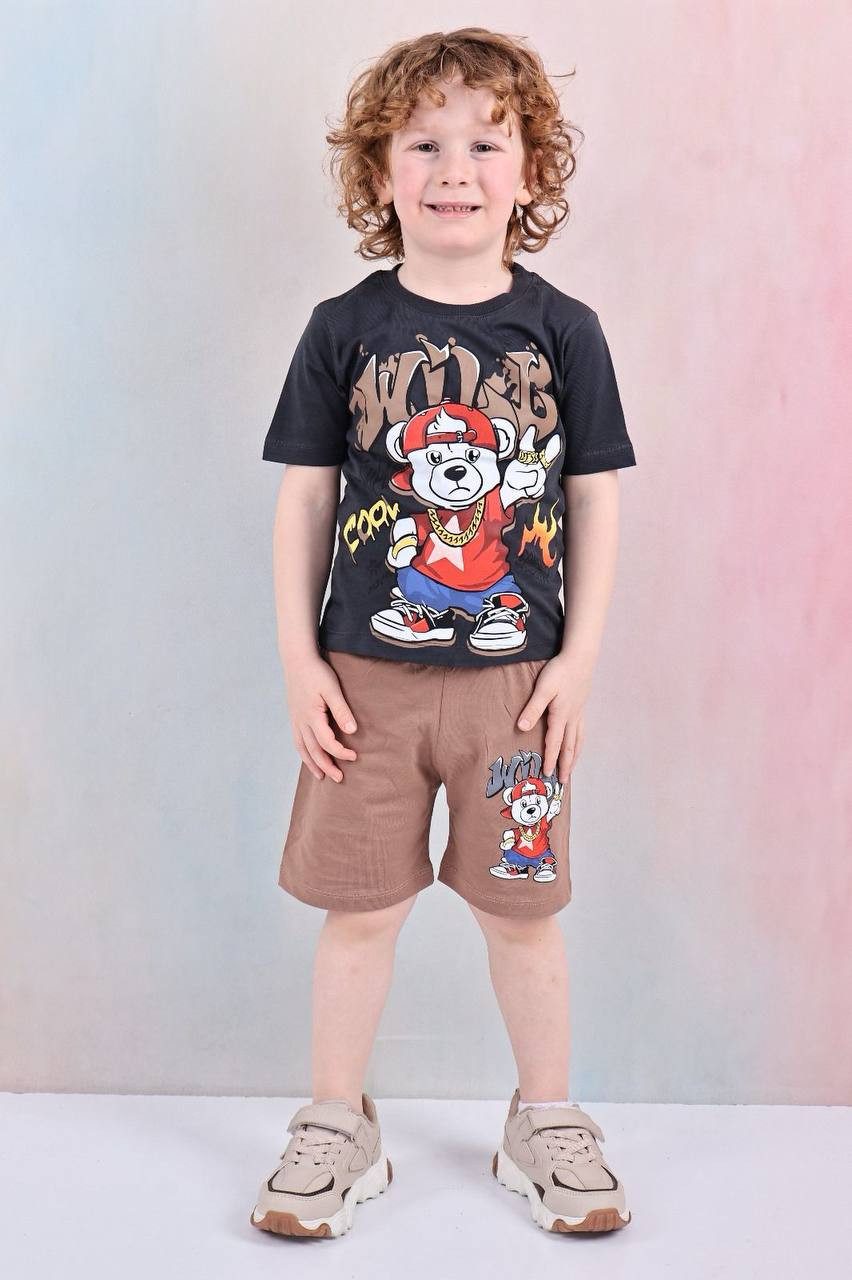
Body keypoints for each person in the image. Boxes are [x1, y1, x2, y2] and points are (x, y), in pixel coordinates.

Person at [250, 27, 636, 1240]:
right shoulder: (342, 327)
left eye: (486, 143)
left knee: (523, 912)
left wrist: (578, 662)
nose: (454, 168)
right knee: (358, 909)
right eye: (423, 145)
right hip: (364, 684)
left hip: (518, 692)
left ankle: (547, 1117)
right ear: (379, 174)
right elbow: (307, 498)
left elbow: (594, 498)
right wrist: (300, 660)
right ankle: (335, 1121)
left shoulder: (565, 330)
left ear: (531, 171)